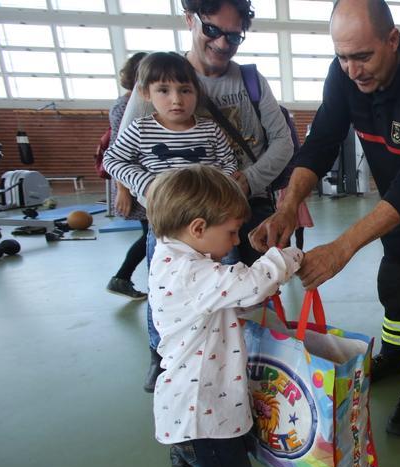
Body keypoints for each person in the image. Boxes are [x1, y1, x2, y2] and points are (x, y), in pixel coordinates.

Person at [250, 0, 400, 436]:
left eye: (362, 56)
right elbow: (321, 141)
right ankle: (393, 354)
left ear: (392, 40)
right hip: (396, 202)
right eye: (342, 57)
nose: (352, 70)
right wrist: (288, 206)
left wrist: (342, 247)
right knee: (393, 280)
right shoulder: (345, 76)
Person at [147, 165, 302, 467]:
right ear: (198, 227)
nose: (235, 241)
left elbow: (217, 305)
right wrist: (290, 258)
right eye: (232, 232)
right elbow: (253, 282)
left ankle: (186, 452)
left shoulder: (171, 256)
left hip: (199, 404)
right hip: (205, 413)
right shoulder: (189, 271)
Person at [119, 0, 293, 267]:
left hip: (240, 209)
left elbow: (283, 142)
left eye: (234, 36)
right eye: (212, 30)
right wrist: (152, 192)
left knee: (245, 296)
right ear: (190, 19)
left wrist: (248, 180)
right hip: (176, 220)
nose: (223, 44)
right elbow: (121, 155)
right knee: (174, 296)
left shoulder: (251, 81)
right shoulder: (161, 80)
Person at [104, 52, 239, 396]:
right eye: (163, 90)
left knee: (221, 282)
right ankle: (159, 354)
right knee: (164, 292)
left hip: (212, 229)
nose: (176, 99)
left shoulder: (210, 130)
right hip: (165, 231)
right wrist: (146, 185)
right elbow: (113, 159)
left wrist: (218, 196)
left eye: (185, 90)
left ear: (197, 92)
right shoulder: (141, 129)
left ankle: (221, 345)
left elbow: (228, 167)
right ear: (146, 94)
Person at [106, 52, 149, 301]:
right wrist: (123, 190)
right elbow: (117, 148)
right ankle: (121, 277)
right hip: (134, 184)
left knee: (149, 234)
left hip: (139, 181)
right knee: (151, 235)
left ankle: (122, 277)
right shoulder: (125, 106)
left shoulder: (136, 103)